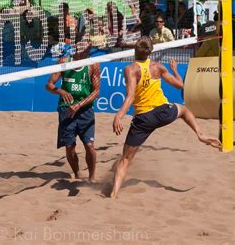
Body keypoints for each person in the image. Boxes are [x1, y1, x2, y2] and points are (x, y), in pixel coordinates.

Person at [110, 36, 221, 198]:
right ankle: (200, 134)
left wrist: (118, 116)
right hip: (162, 112)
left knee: (125, 160)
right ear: (150, 52)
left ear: (135, 50)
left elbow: (130, 97)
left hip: (144, 118)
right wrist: (175, 69)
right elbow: (180, 85)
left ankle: (113, 194)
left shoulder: (131, 69)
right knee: (183, 110)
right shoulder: (157, 67)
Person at [46, 42, 100, 182]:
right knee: (70, 147)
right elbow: (49, 85)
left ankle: (92, 177)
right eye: (79, 43)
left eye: (86, 45)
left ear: (89, 48)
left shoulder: (93, 65)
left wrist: (79, 105)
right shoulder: (64, 61)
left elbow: (97, 91)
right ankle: (77, 174)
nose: (81, 46)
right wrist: (61, 91)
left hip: (85, 110)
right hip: (66, 109)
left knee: (90, 146)